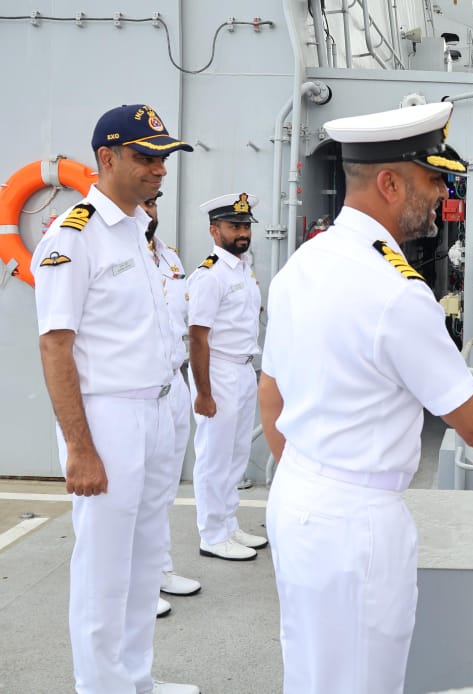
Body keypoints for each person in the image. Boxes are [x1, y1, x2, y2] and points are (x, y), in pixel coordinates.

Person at [258, 101, 473, 694]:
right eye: (433, 178)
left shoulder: (303, 263)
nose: (443, 194)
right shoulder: (395, 291)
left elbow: (271, 393)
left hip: (299, 501)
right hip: (355, 524)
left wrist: (314, 482)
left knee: (312, 674)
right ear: (389, 183)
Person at [32, 104, 198, 694]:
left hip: (157, 409)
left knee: (144, 558)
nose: (160, 170)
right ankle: (101, 687)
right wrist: (80, 448)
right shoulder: (73, 236)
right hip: (108, 417)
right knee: (104, 567)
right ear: (107, 158)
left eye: (163, 158)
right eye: (146, 157)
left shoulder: (138, 231)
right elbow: (55, 346)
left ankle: (136, 679)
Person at [186, 193, 266, 561]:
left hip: (243, 369)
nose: (242, 232)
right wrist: (204, 393)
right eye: (234, 226)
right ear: (214, 230)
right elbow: (198, 338)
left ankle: (229, 523)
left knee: (236, 453)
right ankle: (212, 534)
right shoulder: (209, 276)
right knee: (214, 457)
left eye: (246, 226)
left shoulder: (244, 269)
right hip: (217, 371)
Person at [141, 192, 202, 617]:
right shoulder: (103, 251)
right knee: (134, 496)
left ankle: (158, 569)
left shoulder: (170, 259)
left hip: (172, 383)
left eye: (154, 203)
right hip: (132, 389)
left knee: (162, 490)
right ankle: (132, 586)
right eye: (143, 203)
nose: (149, 211)